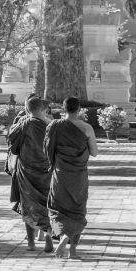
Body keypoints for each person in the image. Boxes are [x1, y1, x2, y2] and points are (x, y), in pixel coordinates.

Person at [45, 97, 98, 259]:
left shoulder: (54, 126)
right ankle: (72, 250)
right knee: (77, 211)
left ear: (63, 108)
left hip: (60, 175)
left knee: (58, 210)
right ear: (79, 109)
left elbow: (47, 150)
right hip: (78, 177)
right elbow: (94, 152)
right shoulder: (86, 128)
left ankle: (63, 237)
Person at [8, 96, 53, 252]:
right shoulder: (50, 125)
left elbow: (13, 149)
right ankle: (48, 239)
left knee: (28, 205)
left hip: (26, 171)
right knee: (47, 204)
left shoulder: (21, 125)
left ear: (27, 109)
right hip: (46, 172)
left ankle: (31, 244)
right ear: (42, 109)